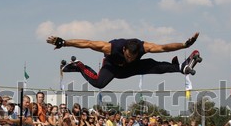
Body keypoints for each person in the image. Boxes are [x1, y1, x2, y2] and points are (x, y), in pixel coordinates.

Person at [46, 32, 200, 88]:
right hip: (113, 67)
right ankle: (79, 66)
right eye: (128, 56)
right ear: (124, 50)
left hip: (129, 69)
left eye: (132, 57)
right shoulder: (111, 47)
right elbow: (88, 43)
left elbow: (164, 48)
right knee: (99, 83)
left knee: (152, 66)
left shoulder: (143, 46)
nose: (130, 58)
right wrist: (64, 42)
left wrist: (184, 44)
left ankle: (180, 66)